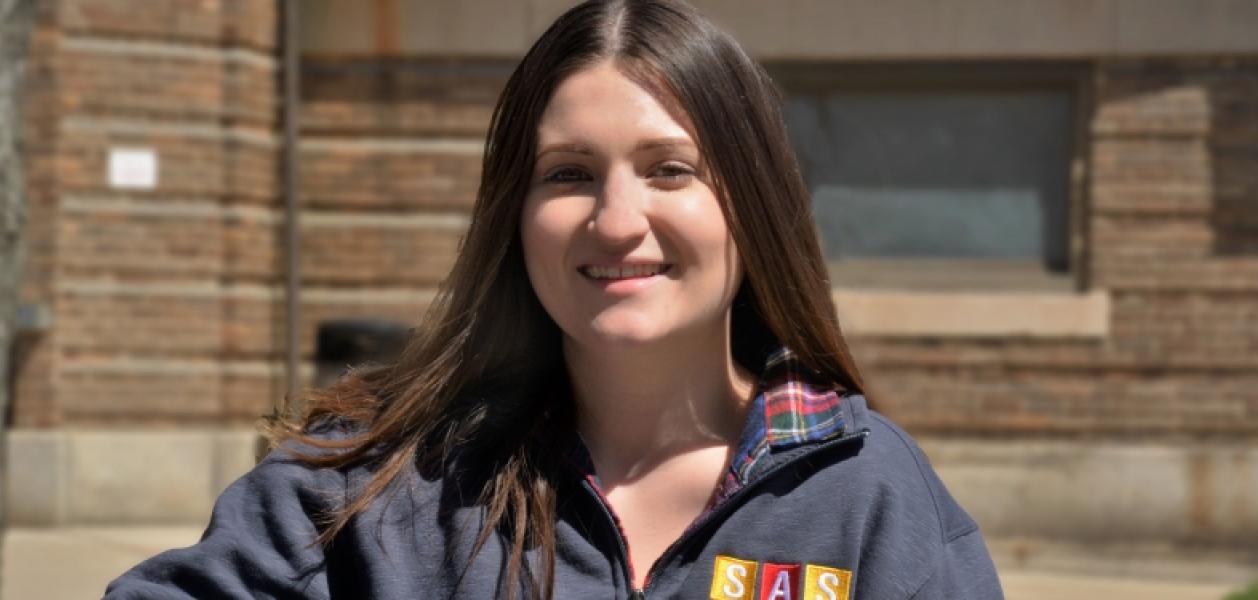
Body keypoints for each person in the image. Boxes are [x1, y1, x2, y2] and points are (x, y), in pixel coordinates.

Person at [105, 0, 1003, 598]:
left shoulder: (868, 496)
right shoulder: (381, 482)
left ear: (751, 205)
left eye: (671, 171)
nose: (618, 221)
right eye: (568, 174)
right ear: (516, 213)